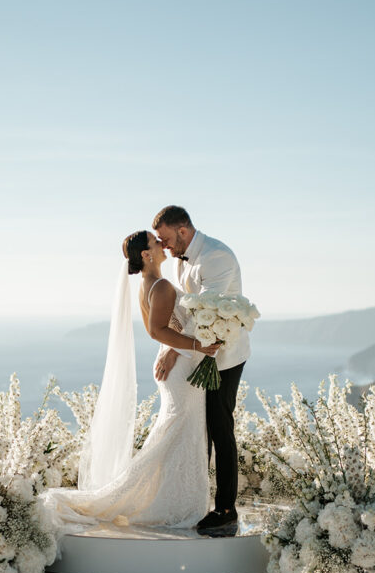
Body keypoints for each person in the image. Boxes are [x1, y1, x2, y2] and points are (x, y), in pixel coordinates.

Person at [41, 230, 220, 530]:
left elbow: (165, 328)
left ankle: (174, 499)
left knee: (178, 435)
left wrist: (181, 348)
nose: (162, 245)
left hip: (179, 365)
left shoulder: (152, 284)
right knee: (178, 434)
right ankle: (159, 501)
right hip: (181, 371)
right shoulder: (160, 285)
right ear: (146, 255)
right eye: (155, 242)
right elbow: (157, 331)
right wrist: (197, 346)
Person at [152, 205, 249, 536]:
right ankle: (195, 501)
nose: (163, 247)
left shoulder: (216, 257)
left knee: (220, 427)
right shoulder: (182, 260)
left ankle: (226, 509)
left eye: (165, 240)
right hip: (196, 352)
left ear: (182, 231)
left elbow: (205, 315)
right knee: (199, 429)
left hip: (224, 355)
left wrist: (171, 351)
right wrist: (169, 348)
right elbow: (183, 312)